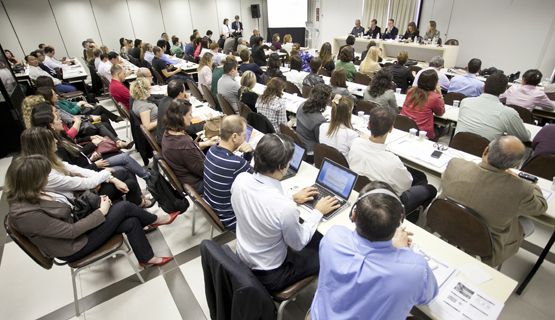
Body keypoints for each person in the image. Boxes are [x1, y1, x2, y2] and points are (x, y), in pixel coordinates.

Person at [6, 155, 177, 268]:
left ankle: (146, 258)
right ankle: (156, 219)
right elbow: (70, 232)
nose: (47, 179)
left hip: (77, 227)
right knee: (124, 207)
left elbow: (68, 211)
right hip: (72, 246)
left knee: (131, 222)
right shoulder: (24, 213)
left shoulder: (35, 192)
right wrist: (101, 212)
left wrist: (97, 207)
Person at [310, 181, 439, 320]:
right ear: (400, 221)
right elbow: (427, 298)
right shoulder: (417, 269)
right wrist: (403, 250)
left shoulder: (333, 236)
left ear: (353, 215)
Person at [230, 133, 339, 291]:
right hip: (272, 273)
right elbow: (298, 243)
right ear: (281, 167)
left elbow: (263, 202)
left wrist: (291, 198)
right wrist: (318, 212)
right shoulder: (284, 208)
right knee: (324, 251)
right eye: (289, 162)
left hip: (245, 255)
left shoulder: (240, 180)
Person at [439, 136, 547, 267]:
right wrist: (527, 183)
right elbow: (541, 206)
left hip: (445, 224)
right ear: (515, 165)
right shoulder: (522, 189)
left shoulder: (456, 164)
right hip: (485, 243)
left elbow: (444, 178)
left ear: (485, 151)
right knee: (528, 224)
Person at [20, 127, 149, 208]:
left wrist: (111, 179)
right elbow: (85, 183)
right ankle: (138, 204)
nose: (55, 141)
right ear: (43, 145)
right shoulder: (47, 174)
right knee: (125, 175)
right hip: (80, 202)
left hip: (83, 190)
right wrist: (107, 173)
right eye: (51, 139)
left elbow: (80, 171)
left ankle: (138, 206)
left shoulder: (50, 160)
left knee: (124, 177)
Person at [349, 106, 438, 217]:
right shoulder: (393, 162)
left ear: (368, 124)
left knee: (418, 176)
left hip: (361, 190)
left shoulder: (356, 143)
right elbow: (406, 186)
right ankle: (410, 218)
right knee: (431, 188)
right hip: (386, 203)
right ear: (391, 129)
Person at [32, 109, 146, 183]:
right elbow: (72, 172)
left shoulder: (61, 136)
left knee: (124, 160)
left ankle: (141, 194)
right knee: (124, 164)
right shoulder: (57, 148)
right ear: (51, 126)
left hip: (90, 162)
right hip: (89, 171)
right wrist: (95, 164)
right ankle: (149, 182)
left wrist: (91, 156)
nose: (61, 120)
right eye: (57, 119)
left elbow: (77, 152)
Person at [204, 115, 252, 230]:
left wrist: (247, 155)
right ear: (234, 136)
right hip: (231, 219)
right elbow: (259, 184)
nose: (245, 138)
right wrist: (250, 153)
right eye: (244, 135)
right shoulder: (236, 163)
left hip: (213, 209)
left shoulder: (212, 150)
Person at [162, 100, 218, 194]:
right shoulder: (184, 142)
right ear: (180, 117)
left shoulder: (169, 132)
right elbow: (205, 170)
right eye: (189, 115)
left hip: (185, 178)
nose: (191, 117)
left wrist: (207, 143)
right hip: (197, 184)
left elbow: (190, 147)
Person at [455, 73, 530, 142]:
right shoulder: (509, 113)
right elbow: (524, 137)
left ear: (483, 87)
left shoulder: (465, 102)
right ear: (504, 90)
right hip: (486, 154)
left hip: (457, 147)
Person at [401, 70, 445, 139]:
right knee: (442, 129)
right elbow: (440, 113)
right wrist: (440, 94)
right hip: (421, 132)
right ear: (435, 83)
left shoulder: (411, 91)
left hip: (404, 126)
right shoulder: (435, 97)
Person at [296, 83, 331, 161]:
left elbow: (310, 118)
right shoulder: (319, 121)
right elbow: (320, 142)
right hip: (310, 152)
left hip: (300, 143)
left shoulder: (302, 105)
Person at [319, 94, 358, 159]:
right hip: (343, 167)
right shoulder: (352, 135)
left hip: (326, 162)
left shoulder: (322, 127)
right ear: (349, 112)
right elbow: (355, 156)